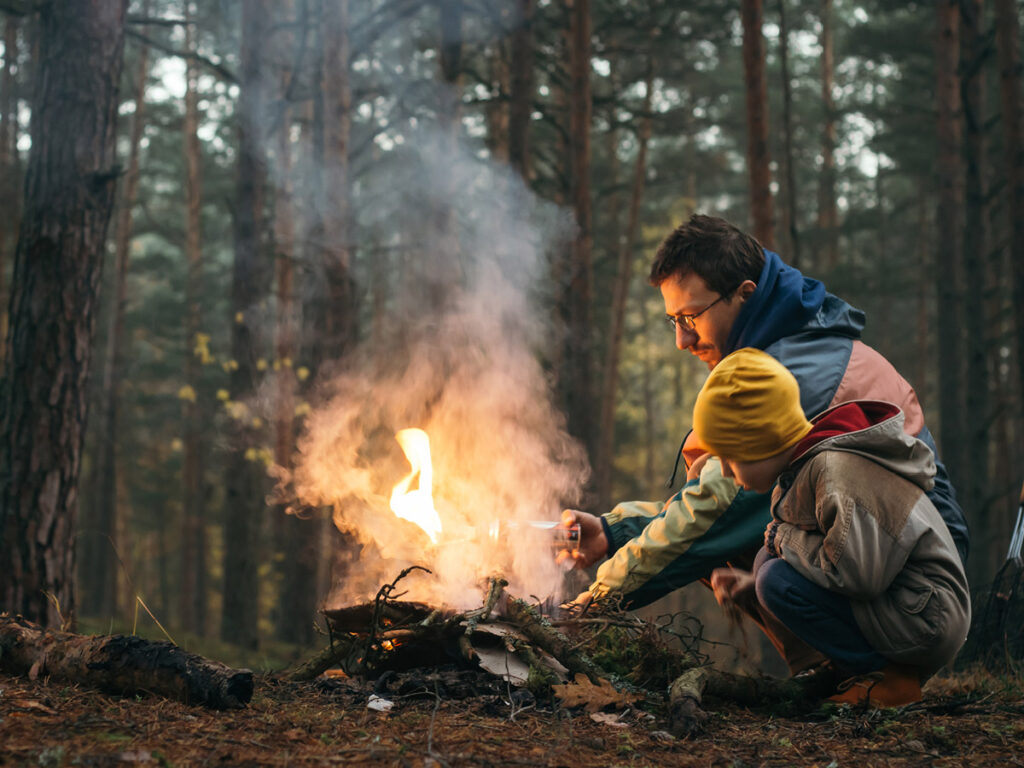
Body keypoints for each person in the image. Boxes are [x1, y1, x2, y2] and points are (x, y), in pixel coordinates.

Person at [562, 214, 969, 675]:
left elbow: (711, 510)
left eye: (691, 316)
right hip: (875, 558)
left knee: (725, 541)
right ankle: (829, 672)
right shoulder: (774, 354)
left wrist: (587, 609)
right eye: (672, 320)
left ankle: (864, 676)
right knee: (727, 542)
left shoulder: (788, 380)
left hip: (913, 586)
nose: (681, 339)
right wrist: (613, 532)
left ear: (745, 293)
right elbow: (710, 500)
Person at [693, 348, 970, 706]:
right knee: (766, 565)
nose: (727, 472)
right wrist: (754, 581)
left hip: (927, 617)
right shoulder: (805, 467)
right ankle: (854, 674)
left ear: (763, 442)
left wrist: (783, 539)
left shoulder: (833, 472)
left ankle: (888, 680)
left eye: (731, 457)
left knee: (774, 574)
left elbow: (857, 575)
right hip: (910, 605)